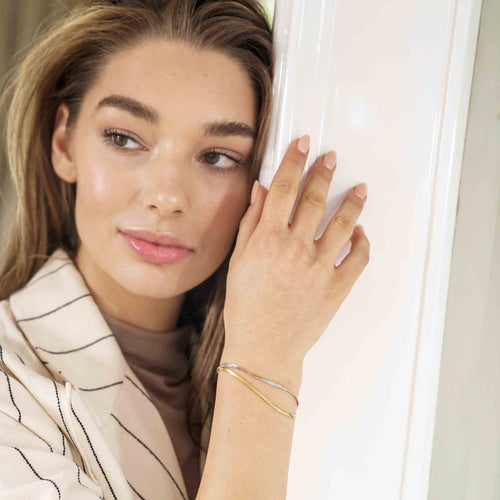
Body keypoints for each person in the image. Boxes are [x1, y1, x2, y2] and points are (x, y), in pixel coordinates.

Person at [0, 0, 370, 498]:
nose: (167, 197)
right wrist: (263, 365)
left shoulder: (324, 373)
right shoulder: (11, 385)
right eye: (124, 139)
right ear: (64, 143)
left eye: (217, 157)